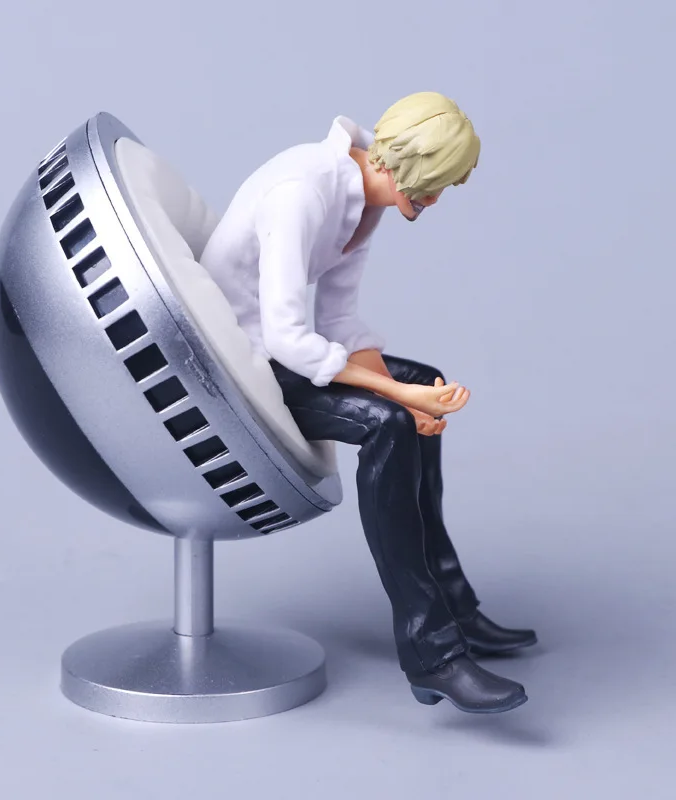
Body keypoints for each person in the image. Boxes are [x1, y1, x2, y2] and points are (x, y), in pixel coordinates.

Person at [200, 91, 536, 713]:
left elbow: (340, 321)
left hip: (281, 357)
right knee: (388, 422)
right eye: (436, 184)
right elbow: (287, 338)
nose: (436, 199)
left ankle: (454, 607)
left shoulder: (363, 199)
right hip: (240, 369)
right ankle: (433, 656)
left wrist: (416, 398)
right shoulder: (303, 191)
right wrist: (397, 396)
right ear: (405, 164)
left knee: (423, 387)